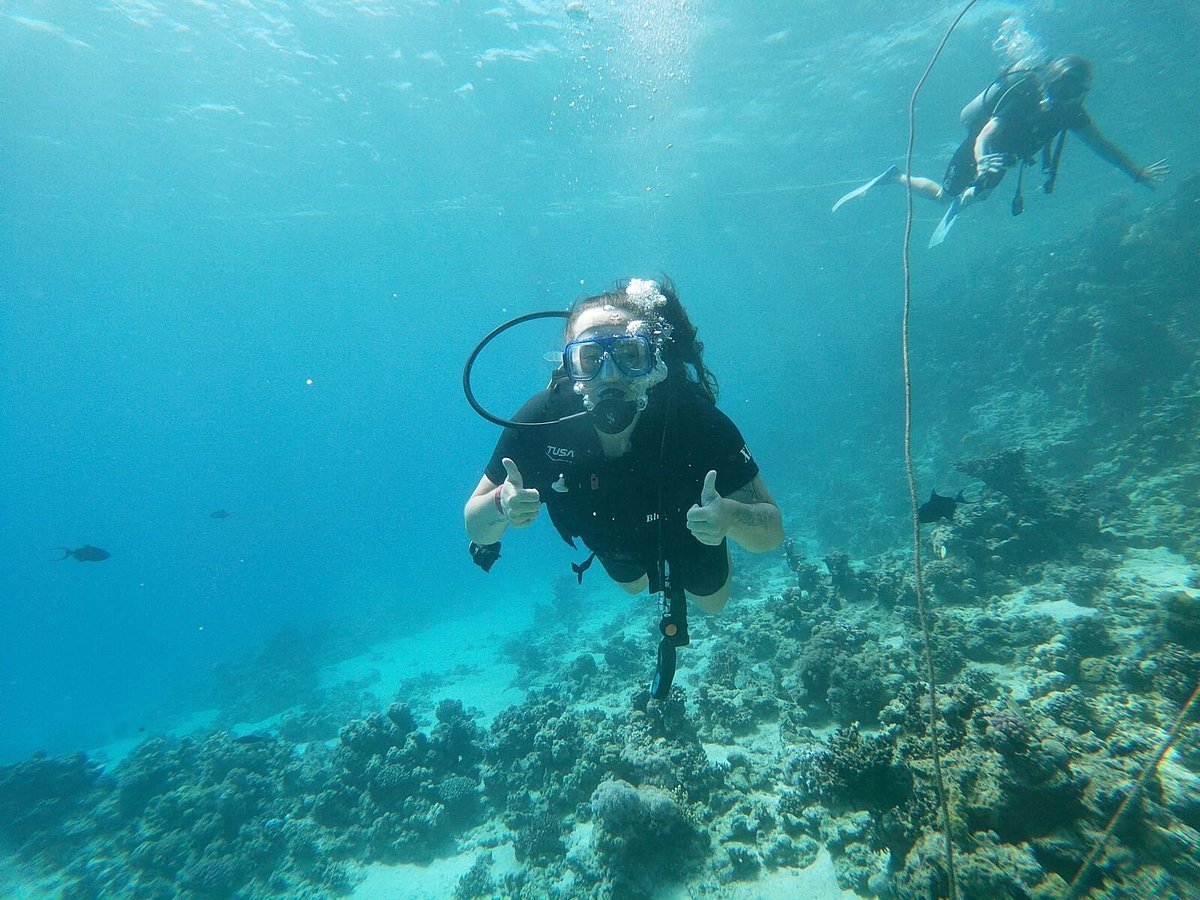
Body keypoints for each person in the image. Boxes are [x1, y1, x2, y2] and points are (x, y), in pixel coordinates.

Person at [464, 277, 783, 621]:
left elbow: (772, 534)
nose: (611, 374)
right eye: (590, 359)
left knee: (712, 603)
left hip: (693, 527)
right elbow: (475, 524)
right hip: (609, 530)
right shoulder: (545, 418)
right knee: (632, 586)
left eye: (629, 354)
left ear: (653, 359)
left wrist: (731, 517)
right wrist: (501, 503)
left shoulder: (692, 418)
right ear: (570, 369)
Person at [832, 55, 1170, 245]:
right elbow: (984, 137)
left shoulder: (1071, 112)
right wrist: (980, 163)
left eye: (1071, 91)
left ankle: (961, 199)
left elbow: (1101, 145)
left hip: (1005, 158)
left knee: (975, 197)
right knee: (944, 198)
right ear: (1049, 81)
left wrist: (1134, 172)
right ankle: (895, 178)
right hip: (980, 150)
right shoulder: (1023, 97)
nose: (1061, 97)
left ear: (1079, 93)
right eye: (1057, 87)